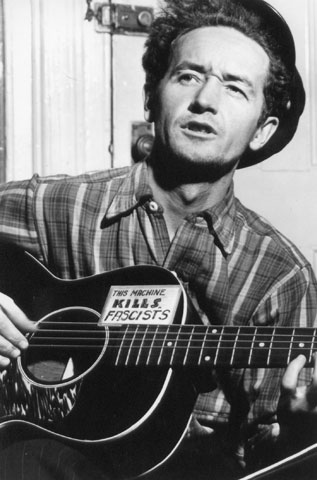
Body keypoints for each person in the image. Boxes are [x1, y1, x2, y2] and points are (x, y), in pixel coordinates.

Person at [0, 0, 316, 478]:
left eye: (234, 87)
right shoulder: (59, 205)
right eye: (188, 76)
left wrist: (299, 430)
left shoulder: (279, 276)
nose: (205, 99)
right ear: (151, 95)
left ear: (262, 130)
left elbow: (265, 461)